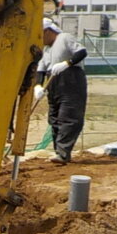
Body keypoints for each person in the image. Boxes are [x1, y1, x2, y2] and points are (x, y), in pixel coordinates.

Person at [33, 17, 88, 164]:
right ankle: (59, 152)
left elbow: (82, 52)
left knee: (68, 116)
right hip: (54, 83)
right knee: (54, 117)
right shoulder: (47, 50)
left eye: (41, 35)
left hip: (71, 80)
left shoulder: (64, 38)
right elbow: (41, 70)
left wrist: (67, 63)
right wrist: (38, 85)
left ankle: (63, 153)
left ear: (49, 31)